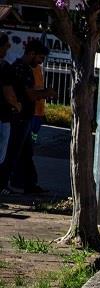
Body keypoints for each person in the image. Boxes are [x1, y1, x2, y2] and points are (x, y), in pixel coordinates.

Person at [0, 39, 55, 195]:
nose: (40, 62)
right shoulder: (21, 69)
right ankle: (4, 184)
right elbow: (29, 95)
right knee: (11, 153)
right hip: (18, 118)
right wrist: (46, 93)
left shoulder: (24, 68)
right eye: (40, 58)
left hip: (24, 118)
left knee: (25, 153)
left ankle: (28, 184)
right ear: (31, 54)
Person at [0, 32, 21, 195]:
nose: (9, 47)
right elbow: (8, 93)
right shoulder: (4, 67)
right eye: (6, 44)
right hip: (2, 117)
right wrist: (17, 104)